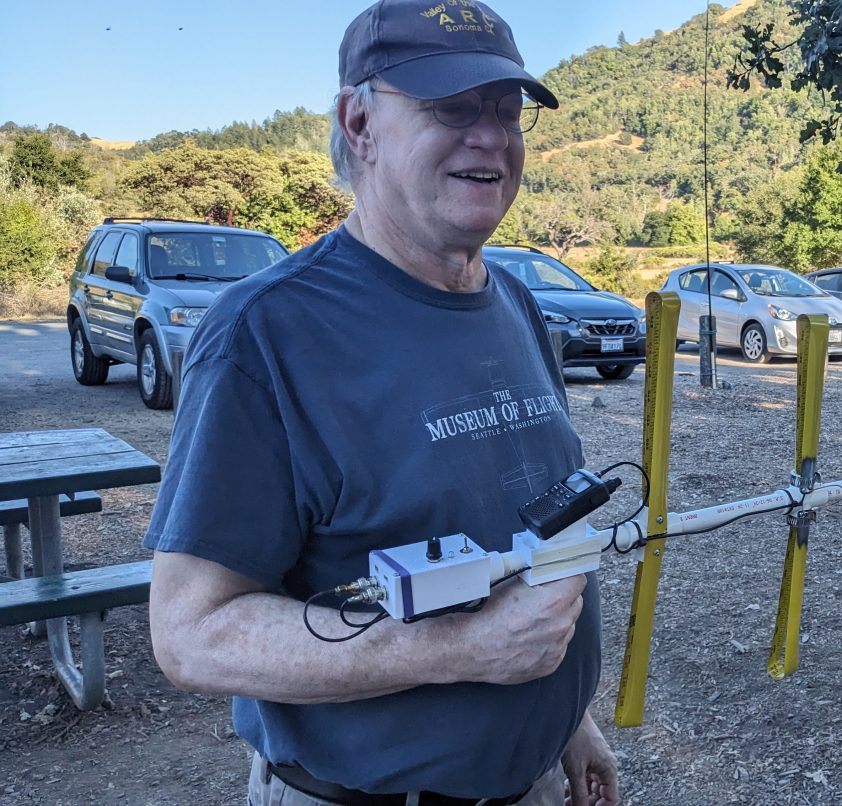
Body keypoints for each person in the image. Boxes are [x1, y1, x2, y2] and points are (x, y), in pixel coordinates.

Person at [144, 1, 619, 805]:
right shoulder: (268, 332)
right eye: (452, 107)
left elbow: (517, 544)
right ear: (358, 122)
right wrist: (462, 648)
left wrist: (563, 716)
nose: (491, 136)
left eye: (507, 111)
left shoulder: (514, 303)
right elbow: (192, 632)